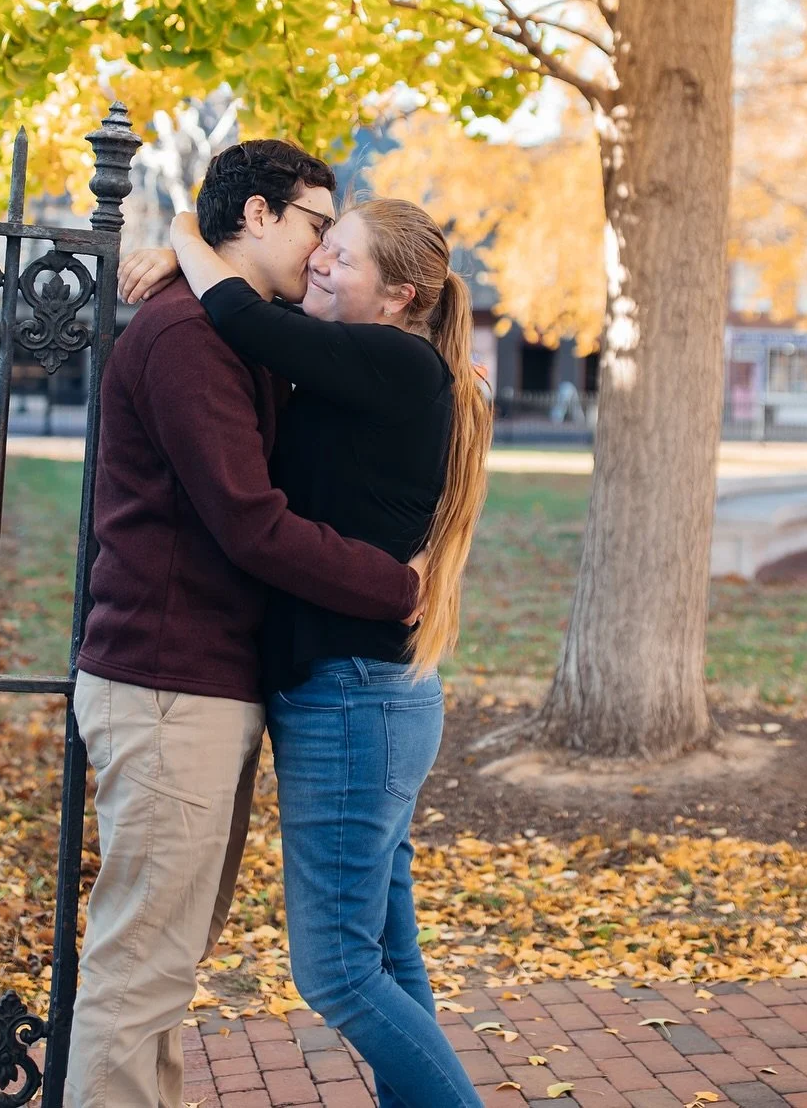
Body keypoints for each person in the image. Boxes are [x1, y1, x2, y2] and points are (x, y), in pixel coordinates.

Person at [65, 142, 422, 1108]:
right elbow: (251, 522)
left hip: (207, 687)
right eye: (316, 224)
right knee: (141, 971)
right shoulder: (189, 336)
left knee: (163, 968)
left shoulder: (241, 330)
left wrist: (180, 239)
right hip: (167, 687)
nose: (319, 253)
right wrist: (397, 587)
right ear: (258, 215)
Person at [123, 194, 491, 1108]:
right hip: (362, 693)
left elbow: (244, 313)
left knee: (335, 972)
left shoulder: (395, 363)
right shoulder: (367, 362)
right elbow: (261, 315)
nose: (320, 261)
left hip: (356, 697)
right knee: (387, 954)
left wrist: (180, 236)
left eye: (344, 258)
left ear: (400, 295)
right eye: (321, 246)